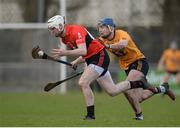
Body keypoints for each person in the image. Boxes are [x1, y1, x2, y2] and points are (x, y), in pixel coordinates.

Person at [47, 15, 151, 120]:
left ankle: (90, 115)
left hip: (99, 57)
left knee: (83, 82)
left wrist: (65, 52)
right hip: (91, 59)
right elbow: (86, 52)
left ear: (60, 26)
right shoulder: (64, 39)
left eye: (53, 28)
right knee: (112, 91)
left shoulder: (76, 31)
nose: (52, 32)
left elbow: (83, 51)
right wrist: (76, 61)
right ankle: (139, 83)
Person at [97, 18, 176, 120]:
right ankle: (163, 88)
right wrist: (77, 62)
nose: (100, 30)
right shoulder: (102, 40)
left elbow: (122, 45)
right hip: (127, 67)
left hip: (138, 62)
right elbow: (94, 52)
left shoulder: (121, 34)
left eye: (103, 27)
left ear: (111, 28)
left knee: (126, 88)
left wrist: (107, 46)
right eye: (99, 27)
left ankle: (139, 116)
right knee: (139, 98)